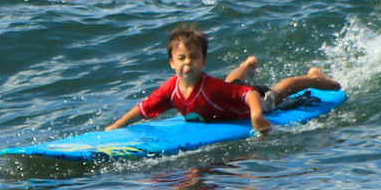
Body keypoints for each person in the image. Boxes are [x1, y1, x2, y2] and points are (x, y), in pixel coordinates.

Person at [106, 26, 341, 135]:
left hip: (252, 101)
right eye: (182, 58)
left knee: (279, 91)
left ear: (204, 61)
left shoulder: (210, 87)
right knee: (232, 83)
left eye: (194, 57)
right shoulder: (171, 89)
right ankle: (247, 66)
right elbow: (143, 109)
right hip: (230, 95)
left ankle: (312, 78)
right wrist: (117, 126)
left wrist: (257, 115)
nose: (188, 63)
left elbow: (248, 94)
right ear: (171, 63)